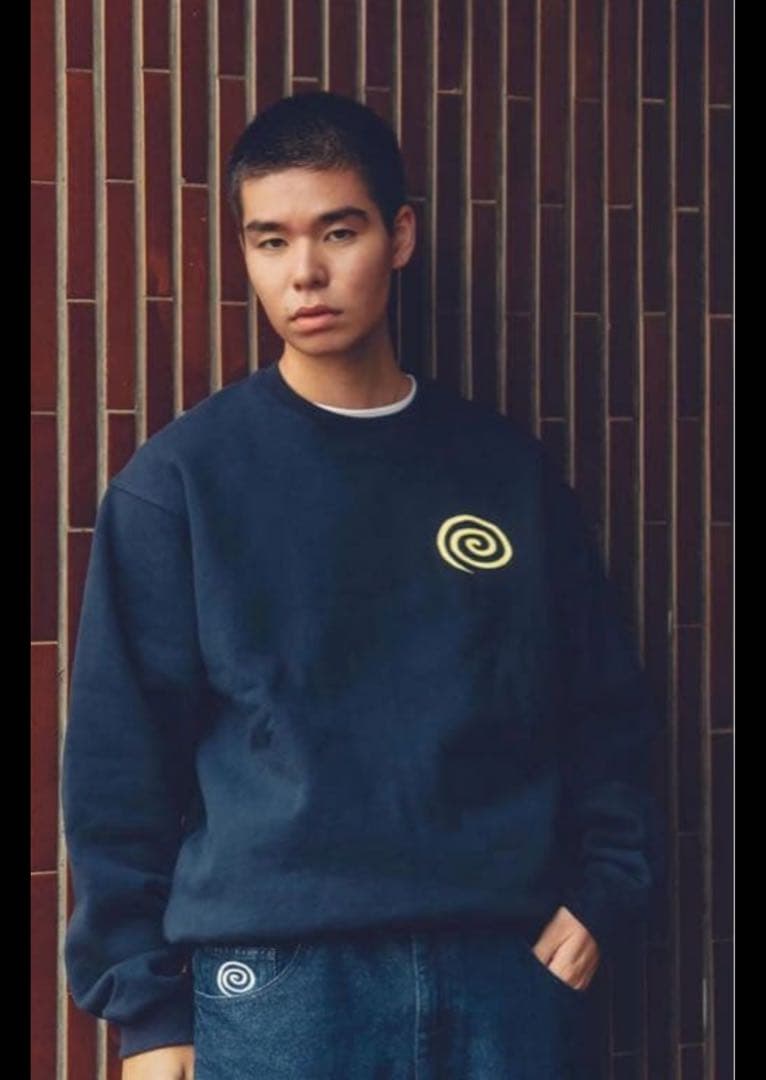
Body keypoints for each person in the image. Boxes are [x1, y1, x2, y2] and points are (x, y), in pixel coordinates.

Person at [61, 90, 665, 1079]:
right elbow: (117, 767)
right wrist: (149, 1014)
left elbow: (602, 706)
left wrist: (605, 890)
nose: (304, 272)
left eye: (337, 232)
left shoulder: (503, 473)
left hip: (501, 975)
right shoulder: (180, 486)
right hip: (280, 987)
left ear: (400, 235)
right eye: (270, 240)